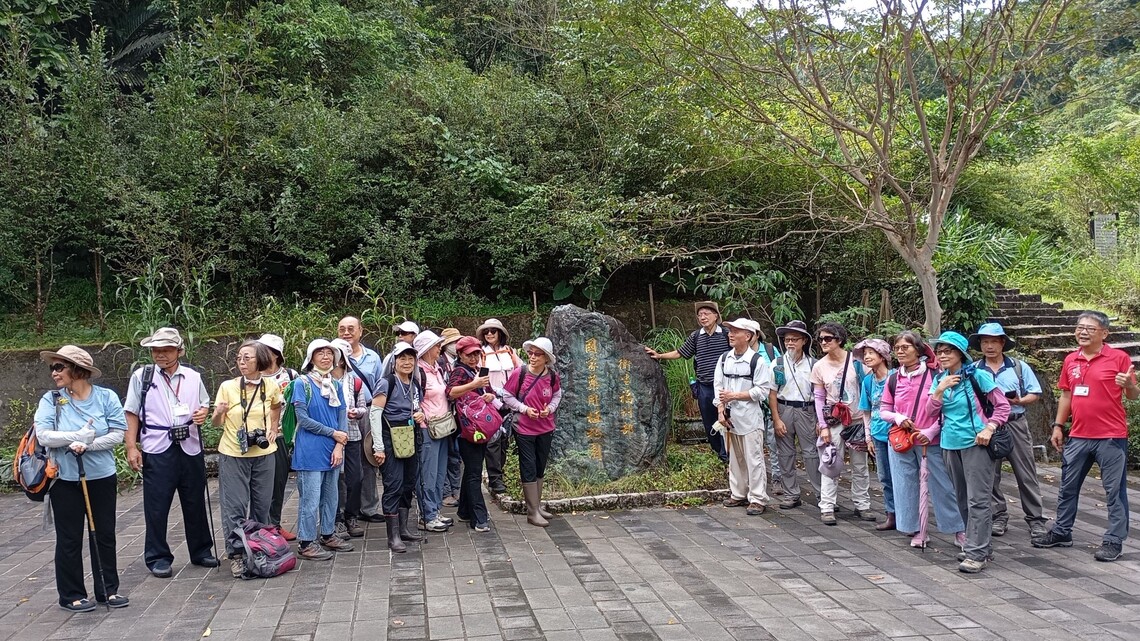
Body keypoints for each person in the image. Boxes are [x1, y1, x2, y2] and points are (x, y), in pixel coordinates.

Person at [1032, 311, 1138, 562]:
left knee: (1114, 491)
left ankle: (1113, 541)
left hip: (1111, 437)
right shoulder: (1071, 360)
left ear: (1104, 333)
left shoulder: (1119, 358)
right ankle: (1061, 532)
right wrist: (1058, 426)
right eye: (1080, 327)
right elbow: (1066, 395)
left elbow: (1133, 396)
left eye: (1090, 328)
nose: (1083, 332)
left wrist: (1129, 385)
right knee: (1067, 487)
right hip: (1079, 435)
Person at [35, 346, 129, 611]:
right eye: (52, 367)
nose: (54, 373)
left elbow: (117, 433)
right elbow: (43, 435)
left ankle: (108, 590)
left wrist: (89, 445)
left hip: (101, 476)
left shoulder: (106, 397)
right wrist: (76, 437)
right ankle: (71, 594)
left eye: (59, 367)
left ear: (78, 370)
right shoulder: (51, 400)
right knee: (69, 538)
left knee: (104, 534)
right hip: (64, 479)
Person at [122, 327, 216, 578]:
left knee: (195, 500)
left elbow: (204, 404)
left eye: (166, 350)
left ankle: (201, 550)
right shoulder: (142, 376)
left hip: (189, 444)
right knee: (157, 505)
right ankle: (158, 557)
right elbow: (131, 412)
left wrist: (202, 414)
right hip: (157, 446)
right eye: (156, 350)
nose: (160, 354)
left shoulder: (193, 376)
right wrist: (131, 447)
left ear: (179, 351)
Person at [928, 331, 1011, 573]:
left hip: (976, 444)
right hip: (949, 444)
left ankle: (976, 553)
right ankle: (978, 545)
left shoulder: (978, 376)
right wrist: (939, 391)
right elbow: (930, 412)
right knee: (962, 499)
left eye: (948, 351)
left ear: (960, 354)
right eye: (939, 352)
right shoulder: (939, 379)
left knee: (978, 500)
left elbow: (1002, 406)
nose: (942, 356)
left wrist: (990, 428)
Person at [879, 331, 964, 549]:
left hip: (931, 441)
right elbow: (884, 410)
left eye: (905, 347)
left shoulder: (935, 375)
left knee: (942, 486)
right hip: (901, 440)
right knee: (905, 485)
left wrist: (932, 431)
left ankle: (958, 529)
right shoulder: (893, 378)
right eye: (897, 348)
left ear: (918, 350)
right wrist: (899, 418)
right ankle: (917, 529)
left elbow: (947, 409)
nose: (900, 351)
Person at [211, 340, 283, 578]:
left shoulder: (271, 385)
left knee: (262, 506)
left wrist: (273, 428)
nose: (241, 362)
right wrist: (219, 413)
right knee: (235, 507)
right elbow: (216, 423)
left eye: (247, 358)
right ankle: (237, 555)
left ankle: (260, 550)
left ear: (260, 360)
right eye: (239, 358)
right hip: (234, 453)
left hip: (264, 454)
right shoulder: (228, 387)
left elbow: (276, 406)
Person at [970, 323, 1048, 539]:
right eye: (985, 342)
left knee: (1025, 472)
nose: (989, 346)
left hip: (1015, 422)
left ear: (1002, 343)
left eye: (993, 342)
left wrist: (1019, 400)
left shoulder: (1018, 367)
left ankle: (1035, 519)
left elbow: (1035, 393)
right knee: (990, 473)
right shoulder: (974, 369)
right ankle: (998, 516)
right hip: (986, 425)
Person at [291, 339, 354, 560]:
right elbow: (303, 419)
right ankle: (306, 542)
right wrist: (333, 434)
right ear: (311, 358)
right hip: (310, 449)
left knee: (331, 495)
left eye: (330, 353)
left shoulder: (335, 384)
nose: (326, 357)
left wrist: (339, 445)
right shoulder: (302, 384)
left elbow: (342, 415)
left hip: (332, 449)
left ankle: (328, 534)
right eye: (321, 353)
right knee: (310, 498)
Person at [645, 301, 731, 463]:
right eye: (700, 315)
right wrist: (660, 356)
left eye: (706, 314)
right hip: (704, 386)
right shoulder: (696, 336)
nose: (702, 317)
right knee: (709, 423)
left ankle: (728, 455)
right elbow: (680, 352)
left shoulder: (726, 334)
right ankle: (719, 455)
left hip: (725, 387)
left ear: (716, 316)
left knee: (726, 419)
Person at [811, 322, 873, 525]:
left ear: (839, 340)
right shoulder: (819, 366)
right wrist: (823, 425)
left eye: (828, 338)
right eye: (820, 339)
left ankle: (862, 504)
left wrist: (869, 421)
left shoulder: (857, 362)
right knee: (830, 462)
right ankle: (827, 506)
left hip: (857, 419)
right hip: (834, 421)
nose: (823, 342)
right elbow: (819, 398)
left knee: (860, 465)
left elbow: (868, 389)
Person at [369, 342, 427, 552]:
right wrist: (378, 447)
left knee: (408, 484)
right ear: (394, 361)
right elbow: (375, 414)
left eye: (411, 358)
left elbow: (417, 407)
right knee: (393, 484)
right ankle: (392, 536)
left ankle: (403, 530)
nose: (407, 362)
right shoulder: (387, 382)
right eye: (402, 358)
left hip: (410, 436)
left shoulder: (415, 383)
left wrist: (420, 415)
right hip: (389, 437)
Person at [714, 319, 775, 515]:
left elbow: (762, 391)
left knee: (754, 458)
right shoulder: (724, 358)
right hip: (729, 418)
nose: (730, 334)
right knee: (735, 458)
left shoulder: (757, 361)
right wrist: (720, 410)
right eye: (730, 330)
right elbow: (718, 387)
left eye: (735, 331)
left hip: (750, 418)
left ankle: (757, 498)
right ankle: (738, 493)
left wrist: (735, 396)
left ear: (748, 336)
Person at [503, 337, 563, 527]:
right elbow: (507, 396)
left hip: (546, 427)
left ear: (546, 358)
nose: (533, 357)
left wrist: (550, 409)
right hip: (524, 428)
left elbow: (557, 394)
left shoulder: (552, 376)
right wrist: (524, 409)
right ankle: (532, 512)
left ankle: (537, 506)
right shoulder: (520, 373)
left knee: (539, 465)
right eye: (531, 353)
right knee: (528, 466)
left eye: (538, 354)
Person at [337, 316, 385, 524]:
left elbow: (380, 386)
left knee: (368, 459)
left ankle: (369, 507)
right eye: (342, 329)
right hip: (339, 416)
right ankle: (344, 509)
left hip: (367, 411)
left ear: (361, 331)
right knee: (340, 463)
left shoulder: (372, 357)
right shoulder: (333, 355)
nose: (346, 333)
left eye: (351, 328)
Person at [447, 335, 497, 532]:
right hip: (467, 429)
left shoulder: (477, 370)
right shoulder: (460, 371)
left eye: (476, 354)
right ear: (460, 354)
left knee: (471, 470)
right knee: (474, 472)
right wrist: (473, 385)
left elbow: (488, 390)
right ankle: (479, 518)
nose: (474, 358)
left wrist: (489, 395)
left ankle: (465, 511)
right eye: (469, 355)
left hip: (477, 426)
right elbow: (451, 392)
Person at [768, 320, 819, 509]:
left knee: (811, 453)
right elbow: (772, 393)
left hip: (807, 410)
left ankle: (822, 495)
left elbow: (819, 394)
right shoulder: (778, 364)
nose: (790, 343)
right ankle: (791, 494)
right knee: (785, 453)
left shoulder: (813, 364)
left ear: (804, 341)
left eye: (794, 339)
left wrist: (820, 420)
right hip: (784, 409)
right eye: (787, 339)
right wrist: (776, 419)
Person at [256, 333, 299, 540]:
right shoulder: (252, 376)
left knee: (279, 482)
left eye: (264, 350)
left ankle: (274, 524)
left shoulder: (290, 375)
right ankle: (258, 527)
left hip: (282, 436)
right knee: (259, 484)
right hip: (257, 438)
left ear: (275, 355)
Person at [854, 338, 897, 531]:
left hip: (898, 434)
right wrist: (868, 437)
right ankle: (891, 514)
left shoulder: (895, 377)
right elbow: (867, 411)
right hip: (879, 435)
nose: (867, 357)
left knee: (902, 477)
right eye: (865, 354)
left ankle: (907, 516)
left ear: (883, 356)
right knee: (885, 477)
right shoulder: (868, 381)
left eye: (871, 353)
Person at [331, 338, 370, 539]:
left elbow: (363, 407)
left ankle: (351, 516)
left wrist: (357, 412)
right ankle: (335, 519)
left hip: (352, 434)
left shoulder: (355, 381)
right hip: (330, 437)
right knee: (334, 480)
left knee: (355, 478)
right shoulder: (322, 380)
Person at [415, 330, 454, 532]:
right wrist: (420, 415)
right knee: (427, 474)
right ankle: (427, 515)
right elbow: (413, 400)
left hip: (442, 428)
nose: (440, 348)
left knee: (439, 472)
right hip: (427, 430)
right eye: (436, 345)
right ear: (426, 349)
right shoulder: (418, 372)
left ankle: (435, 510)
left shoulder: (437, 368)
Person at [478, 318, 522, 493]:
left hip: (510, 400)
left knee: (505, 440)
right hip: (491, 400)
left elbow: (521, 370)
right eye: (486, 331)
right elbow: (479, 379)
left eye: (493, 331)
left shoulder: (509, 351)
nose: (489, 334)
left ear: (500, 333)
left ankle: (500, 474)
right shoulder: (481, 354)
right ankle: (495, 479)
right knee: (493, 441)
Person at [438, 327, 463, 508]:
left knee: (455, 453)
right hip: (442, 415)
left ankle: (456, 489)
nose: (456, 345)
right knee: (444, 454)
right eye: (453, 342)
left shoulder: (459, 361)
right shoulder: (439, 362)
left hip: (457, 413)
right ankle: (446, 491)